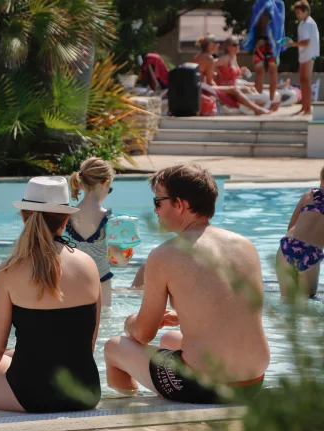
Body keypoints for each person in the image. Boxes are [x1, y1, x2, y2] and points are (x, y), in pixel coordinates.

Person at [104, 165, 270, 404]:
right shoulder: (245, 245)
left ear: (179, 205)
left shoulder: (165, 255)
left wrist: (129, 323)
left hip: (202, 386)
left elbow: (143, 333)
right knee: (171, 338)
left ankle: (127, 408)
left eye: (158, 202)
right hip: (252, 382)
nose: (155, 211)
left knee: (115, 346)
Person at [0, 177, 102, 413]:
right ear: (65, 219)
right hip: (86, 393)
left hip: (32, 398)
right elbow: (87, 342)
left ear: (23, 217)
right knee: (13, 355)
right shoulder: (89, 265)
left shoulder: (9, 271)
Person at [66, 158, 125, 307]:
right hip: (101, 282)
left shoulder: (67, 217)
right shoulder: (110, 219)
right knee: (103, 324)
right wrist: (126, 256)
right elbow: (119, 259)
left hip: (72, 282)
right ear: (104, 184)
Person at [193, 35, 273, 116]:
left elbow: (205, 72)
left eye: (238, 44)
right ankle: (257, 108)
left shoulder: (199, 56)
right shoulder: (211, 59)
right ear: (210, 45)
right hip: (206, 87)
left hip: (203, 86)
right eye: (217, 43)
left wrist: (241, 71)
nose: (219, 45)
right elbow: (210, 81)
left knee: (246, 88)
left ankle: (260, 106)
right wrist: (219, 81)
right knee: (236, 89)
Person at [276, 165, 324, 297]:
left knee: (286, 302)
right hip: (311, 252)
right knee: (307, 302)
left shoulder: (309, 195)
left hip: (287, 246)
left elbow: (291, 225)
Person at [242, 1, 286, 105]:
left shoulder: (279, 4)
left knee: (272, 70)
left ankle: (271, 101)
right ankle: (258, 101)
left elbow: (280, 23)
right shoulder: (259, 3)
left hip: (273, 43)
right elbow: (254, 21)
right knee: (259, 71)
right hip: (259, 42)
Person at [289, 0, 320, 115]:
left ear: (305, 11)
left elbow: (306, 42)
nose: (297, 15)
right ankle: (303, 107)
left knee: (306, 80)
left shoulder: (309, 23)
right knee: (302, 80)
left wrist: (292, 44)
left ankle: (308, 108)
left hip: (309, 54)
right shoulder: (302, 24)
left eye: (298, 12)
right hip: (303, 55)